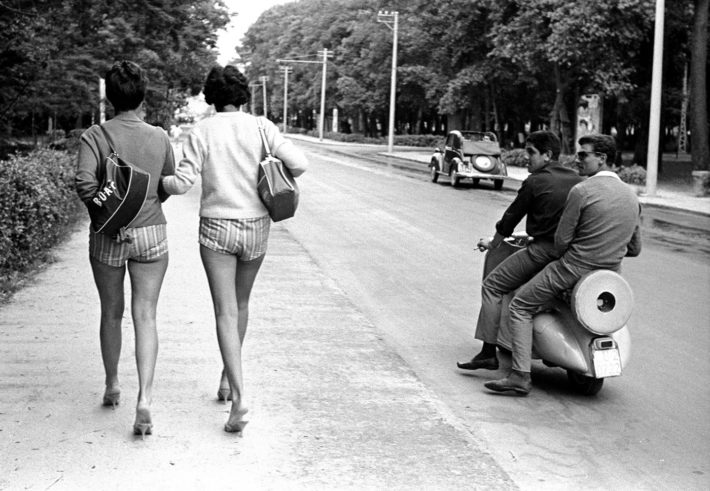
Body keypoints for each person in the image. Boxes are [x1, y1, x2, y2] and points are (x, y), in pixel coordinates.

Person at [161, 65, 308, 433]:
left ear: (211, 96)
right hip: (257, 227)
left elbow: (181, 184)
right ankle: (227, 380)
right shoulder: (262, 127)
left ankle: (240, 397)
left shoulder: (202, 131)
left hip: (216, 228)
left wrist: (157, 182)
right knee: (241, 305)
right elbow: (300, 164)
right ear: (243, 94)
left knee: (224, 311)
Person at [485, 134, 642, 395]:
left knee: (521, 306)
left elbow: (560, 243)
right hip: (607, 279)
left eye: (583, 155)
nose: (577, 160)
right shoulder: (631, 197)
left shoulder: (582, 191)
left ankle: (520, 375)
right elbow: (634, 249)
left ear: (601, 159)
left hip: (570, 271)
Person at [75, 61, 175, 437]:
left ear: (109, 97)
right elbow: (165, 184)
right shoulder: (160, 136)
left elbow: (85, 184)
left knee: (112, 312)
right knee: (146, 315)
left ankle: (113, 384)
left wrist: (111, 218)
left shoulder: (95, 136)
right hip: (152, 234)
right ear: (142, 96)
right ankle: (145, 398)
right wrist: (146, 204)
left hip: (107, 237)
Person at [457, 131, 582, 371]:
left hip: (542, 251)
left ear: (547, 155)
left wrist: (494, 243)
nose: (527, 158)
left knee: (492, 286)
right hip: (571, 255)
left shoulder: (535, 182)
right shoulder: (578, 181)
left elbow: (510, 219)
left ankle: (487, 352)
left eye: (532, 153)